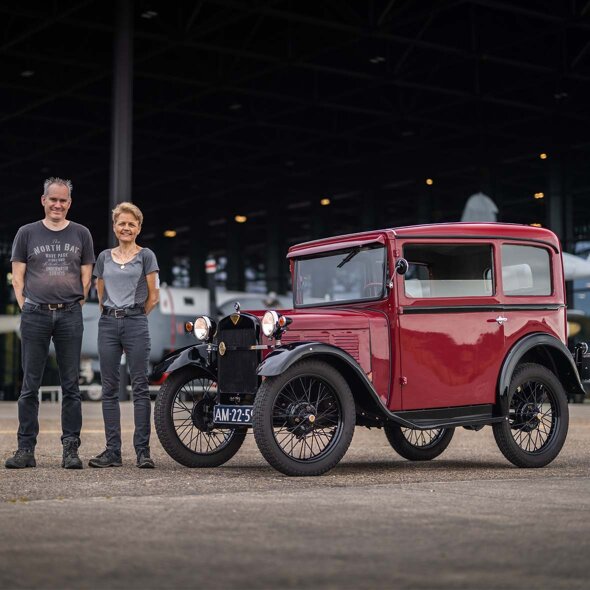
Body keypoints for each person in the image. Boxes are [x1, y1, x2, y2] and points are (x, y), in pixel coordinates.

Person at [6, 177, 95, 469]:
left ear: (69, 203)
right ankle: (25, 450)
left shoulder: (82, 234)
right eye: (53, 199)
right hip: (35, 314)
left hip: (70, 314)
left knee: (71, 385)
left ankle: (70, 450)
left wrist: (76, 304)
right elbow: (17, 276)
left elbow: (86, 277)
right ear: (43, 200)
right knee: (30, 385)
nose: (58, 204)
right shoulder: (26, 233)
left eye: (63, 200)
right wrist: (25, 306)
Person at [89, 202, 159, 469]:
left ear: (138, 228)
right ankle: (112, 452)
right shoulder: (104, 257)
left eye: (132, 224)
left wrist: (135, 315)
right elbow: (100, 292)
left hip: (135, 322)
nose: (126, 228)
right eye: (122, 223)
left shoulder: (146, 256)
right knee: (109, 389)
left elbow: (153, 297)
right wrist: (110, 314)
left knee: (140, 387)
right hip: (108, 323)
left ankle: (143, 452)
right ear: (115, 227)